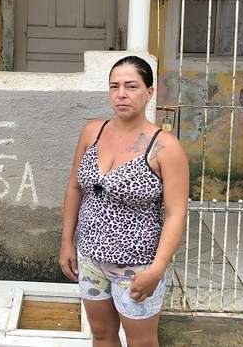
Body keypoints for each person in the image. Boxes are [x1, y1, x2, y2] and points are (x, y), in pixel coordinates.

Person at [59, 56, 189, 347]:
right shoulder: (93, 132)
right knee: (102, 335)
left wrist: (156, 269)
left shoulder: (165, 148)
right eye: (114, 86)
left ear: (149, 92)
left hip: (137, 265)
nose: (121, 94)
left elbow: (176, 214)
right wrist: (67, 241)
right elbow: (74, 188)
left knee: (140, 342)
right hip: (90, 258)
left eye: (131, 86)